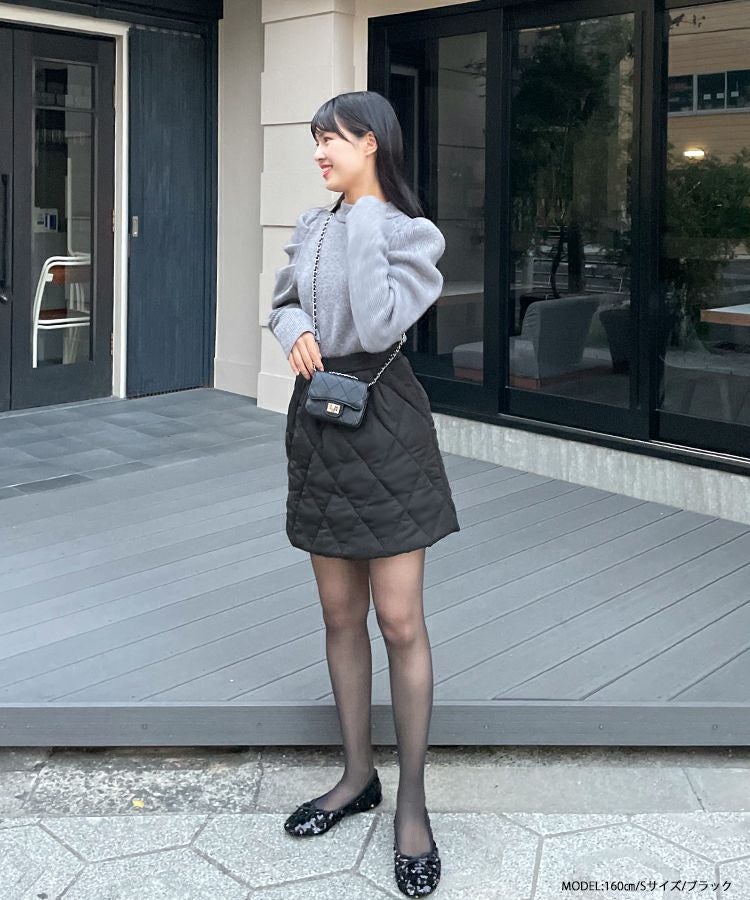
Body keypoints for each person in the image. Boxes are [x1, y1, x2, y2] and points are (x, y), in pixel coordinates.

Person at [267, 89, 460, 897]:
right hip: (321, 422)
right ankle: (356, 778)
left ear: (372, 143)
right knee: (340, 616)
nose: (319, 152)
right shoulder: (312, 226)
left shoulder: (409, 233)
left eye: (333, 139)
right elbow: (282, 302)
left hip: (385, 426)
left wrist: (366, 213)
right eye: (315, 140)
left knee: (400, 621)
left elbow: (379, 325)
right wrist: (294, 330)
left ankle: (412, 805)